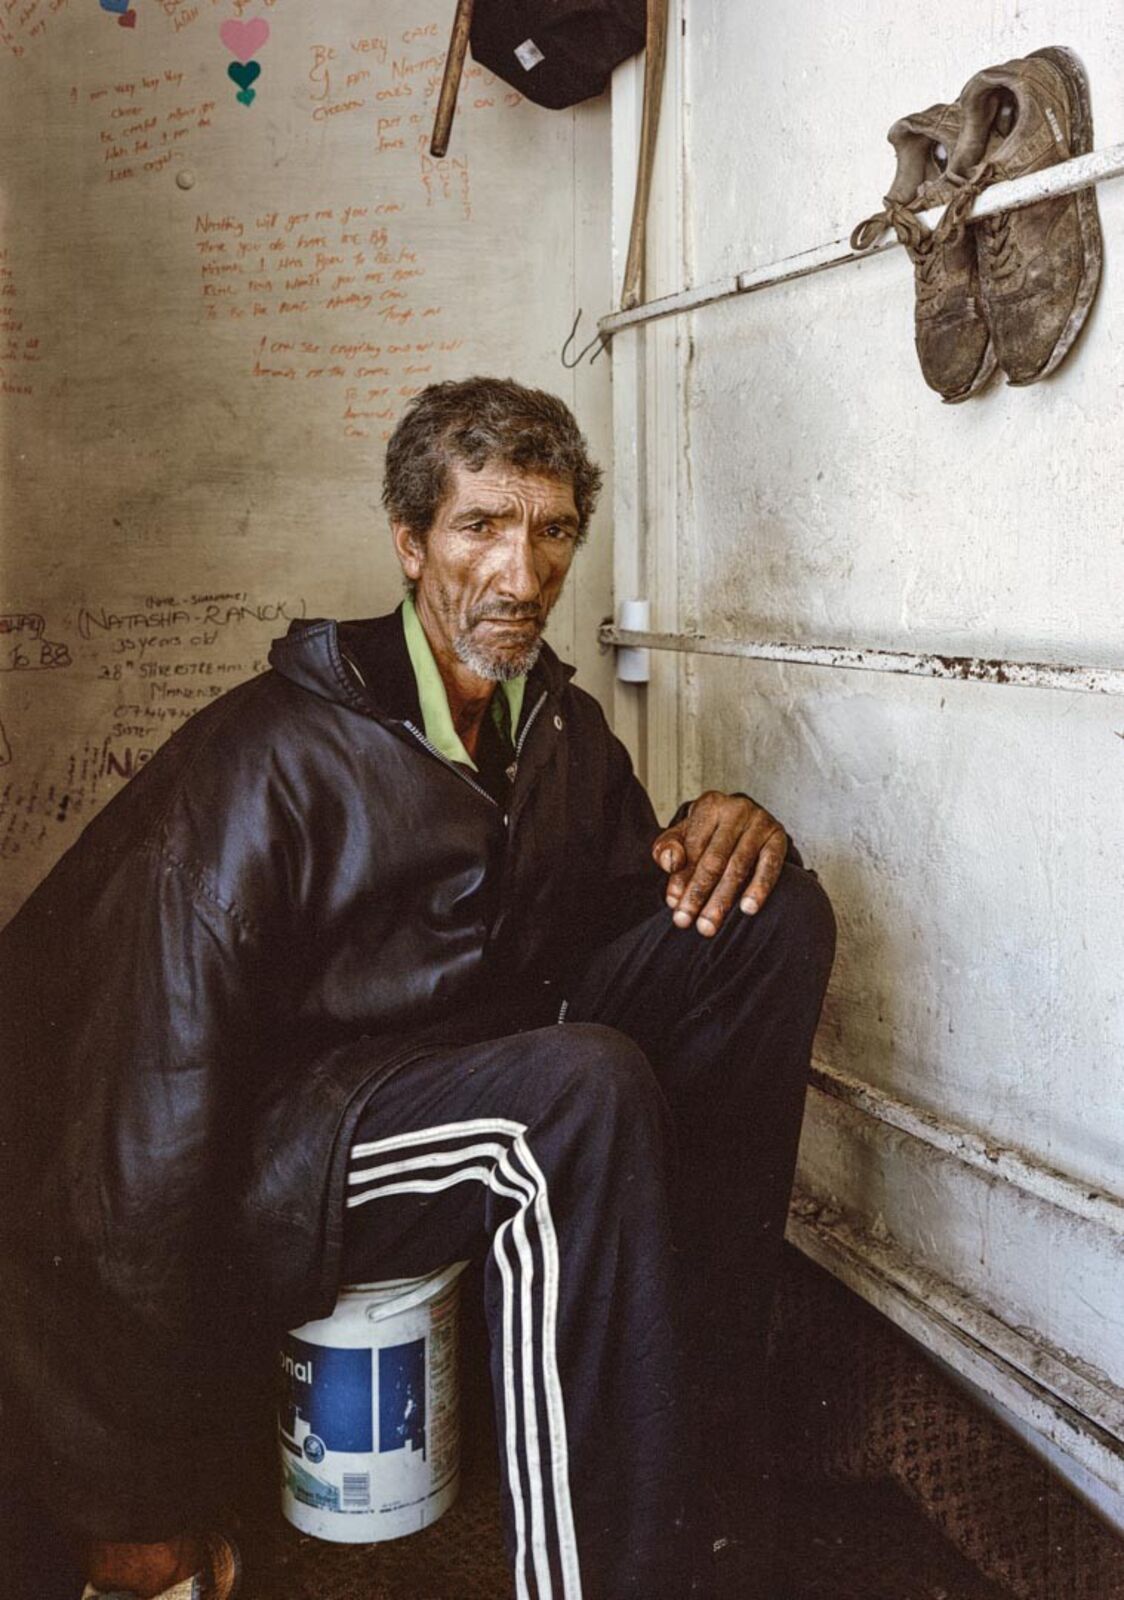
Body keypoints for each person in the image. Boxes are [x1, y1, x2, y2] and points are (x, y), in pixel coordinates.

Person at [0, 377, 835, 1600]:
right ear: (408, 545)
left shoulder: (554, 728)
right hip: (275, 1156)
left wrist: (721, 832)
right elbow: (129, 1142)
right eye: (480, 526)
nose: (522, 572)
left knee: (769, 918)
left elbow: (621, 923)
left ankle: (695, 1432)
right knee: (575, 1098)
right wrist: (126, 1504)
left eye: (550, 531)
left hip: (460, 1084)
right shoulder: (269, 759)